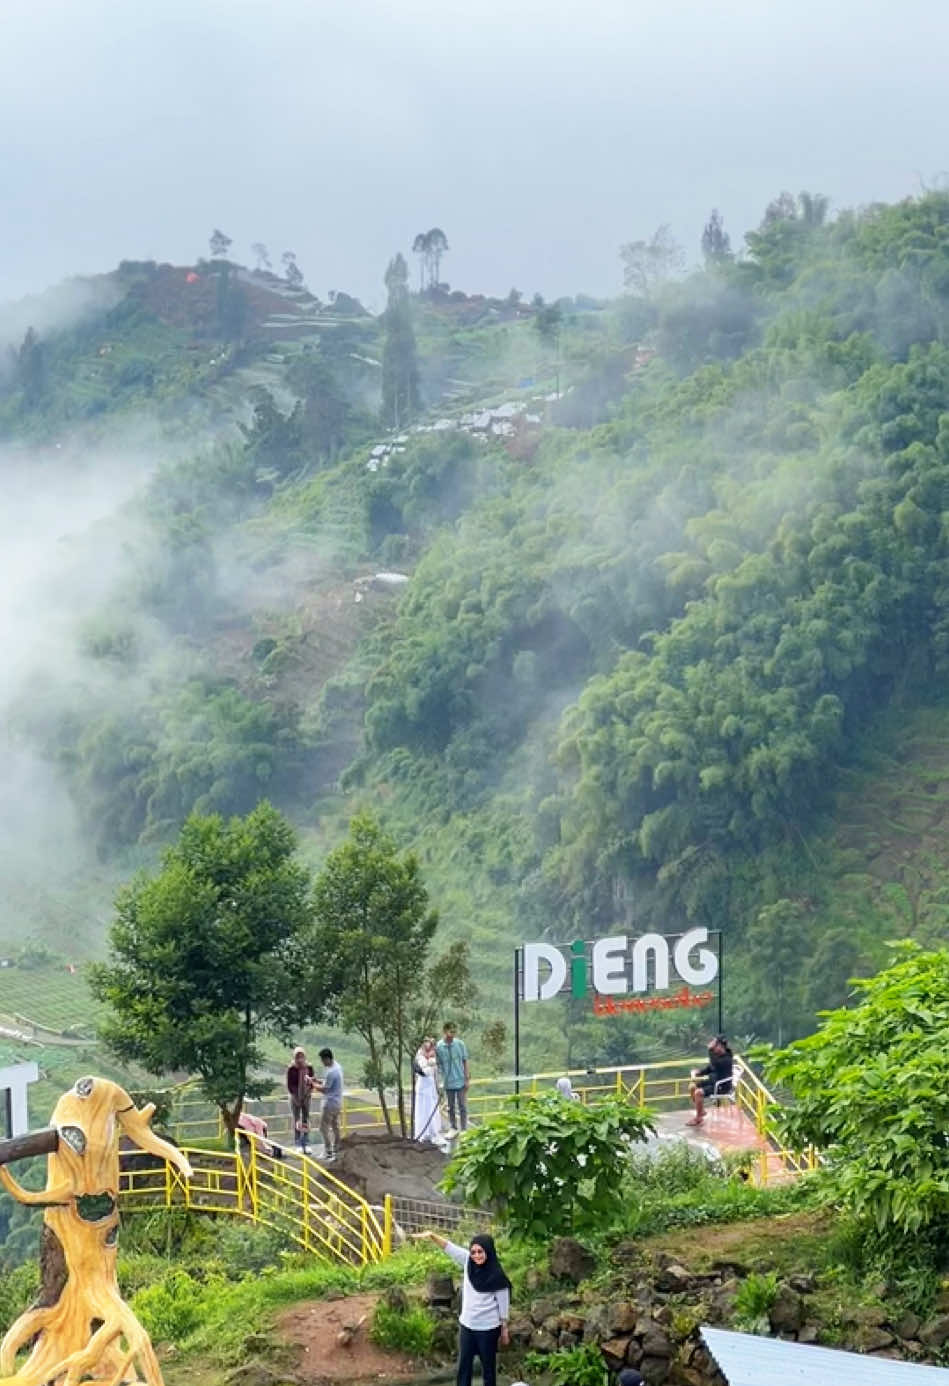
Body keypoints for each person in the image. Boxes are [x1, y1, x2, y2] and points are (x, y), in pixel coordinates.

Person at [415, 1231, 511, 1386]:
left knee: (488, 1369)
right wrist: (432, 1235)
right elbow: (449, 1247)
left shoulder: (497, 1277)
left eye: (480, 1252)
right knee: (463, 1367)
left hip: (488, 1328)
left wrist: (504, 1329)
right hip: (467, 1326)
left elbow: (503, 1305)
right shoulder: (468, 1262)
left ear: (489, 1251)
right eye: (473, 1252)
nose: (476, 1255)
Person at [687, 1035, 733, 1126]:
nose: (713, 1047)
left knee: (698, 1093)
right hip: (713, 1081)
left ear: (721, 1046)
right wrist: (699, 1072)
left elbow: (714, 1064)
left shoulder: (726, 1059)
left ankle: (698, 1118)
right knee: (692, 1086)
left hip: (721, 1086)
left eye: (715, 1045)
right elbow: (711, 1068)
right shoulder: (718, 1057)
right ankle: (701, 1111)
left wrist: (710, 1050)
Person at [436, 1021, 469, 1133]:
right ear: (445, 1032)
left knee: (462, 1106)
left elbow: (465, 1061)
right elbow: (438, 1065)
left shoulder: (460, 1044)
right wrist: (440, 1081)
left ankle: (464, 1129)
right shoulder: (439, 1047)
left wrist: (466, 1079)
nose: (453, 1034)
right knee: (450, 1106)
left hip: (460, 1081)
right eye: (451, 1031)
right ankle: (453, 1127)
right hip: (448, 1082)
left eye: (454, 1031)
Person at [313, 1047, 343, 1161]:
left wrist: (313, 1086)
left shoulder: (331, 1072)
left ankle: (328, 1150)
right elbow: (329, 1083)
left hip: (329, 1103)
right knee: (335, 1126)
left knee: (323, 1127)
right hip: (337, 1102)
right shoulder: (337, 1067)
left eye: (322, 1060)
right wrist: (317, 1081)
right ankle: (337, 1148)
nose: (322, 1062)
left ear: (327, 1059)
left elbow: (325, 1089)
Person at [414, 1036, 442, 1143]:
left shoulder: (434, 1055)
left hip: (431, 1087)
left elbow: (434, 1072)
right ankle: (422, 1133)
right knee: (422, 1110)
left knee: (432, 1109)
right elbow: (424, 1072)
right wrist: (431, 1063)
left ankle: (434, 1133)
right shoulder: (419, 1055)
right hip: (422, 1086)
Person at [286, 1047, 315, 1152]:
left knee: (306, 1119)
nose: (300, 1059)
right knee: (297, 1119)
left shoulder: (309, 1067)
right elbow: (289, 1085)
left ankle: (306, 1142)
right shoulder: (291, 1068)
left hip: (306, 1096)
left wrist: (308, 1093)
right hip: (295, 1097)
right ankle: (298, 1143)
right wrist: (296, 1097)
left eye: (301, 1056)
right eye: (297, 1057)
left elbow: (312, 1082)